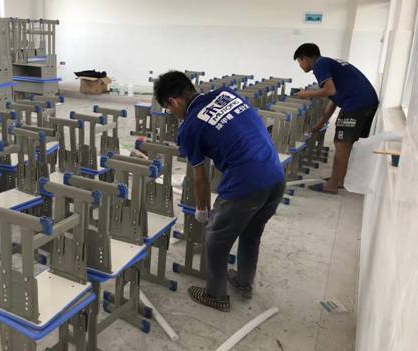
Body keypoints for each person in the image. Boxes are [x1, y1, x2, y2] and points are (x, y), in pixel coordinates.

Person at [153, 71, 285, 312]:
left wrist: (202, 210)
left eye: (168, 108)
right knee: (251, 233)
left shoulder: (189, 128)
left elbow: (200, 178)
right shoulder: (226, 94)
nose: (171, 113)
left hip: (246, 183)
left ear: (173, 101)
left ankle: (216, 295)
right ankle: (244, 283)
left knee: (215, 237)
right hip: (275, 175)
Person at [293, 43, 379, 194]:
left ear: (305, 58)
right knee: (347, 143)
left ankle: (332, 185)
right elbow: (334, 98)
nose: (300, 66)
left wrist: (306, 94)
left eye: (299, 62)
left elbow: (329, 90)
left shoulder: (320, 65)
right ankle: (339, 179)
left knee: (342, 143)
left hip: (356, 104)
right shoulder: (328, 63)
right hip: (366, 102)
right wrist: (320, 124)